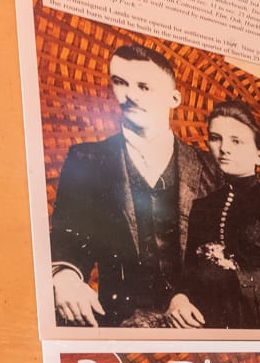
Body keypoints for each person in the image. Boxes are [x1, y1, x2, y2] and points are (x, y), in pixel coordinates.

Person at [50, 43, 222, 326]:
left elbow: (222, 253)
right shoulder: (86, 159)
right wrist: (65, 277)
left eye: (144, 86)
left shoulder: (209, 167)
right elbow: (67, 237)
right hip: (117, 321)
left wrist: (185, 296)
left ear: (174, 98)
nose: (130, 95)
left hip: (195, 320)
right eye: (120, 82)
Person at [167, 100, 260, 330]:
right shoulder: (201, 207)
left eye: (236, 141)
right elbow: (189, 276)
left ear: (259, 156)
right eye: (216, 138)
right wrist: (178, 298)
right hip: (209, 319)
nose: (224, 148)